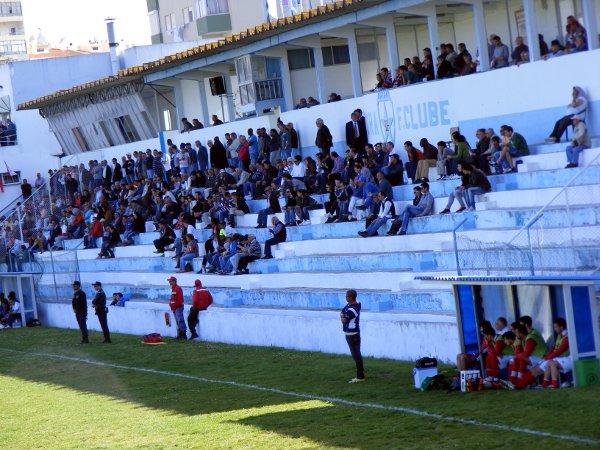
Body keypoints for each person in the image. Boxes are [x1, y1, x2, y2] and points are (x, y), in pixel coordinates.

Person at [341, 289, 365, 383]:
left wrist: (342, 316)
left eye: (347, 296)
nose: (346, 298)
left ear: (351, 298)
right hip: (352, 333)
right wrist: (342, 315)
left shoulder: (352, 309)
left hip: (352, 334)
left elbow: (344, 320)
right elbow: (342, 312)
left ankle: (360, 376)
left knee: (356, 355)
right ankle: (360, 374)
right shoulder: (352, 304)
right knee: (356, 355)